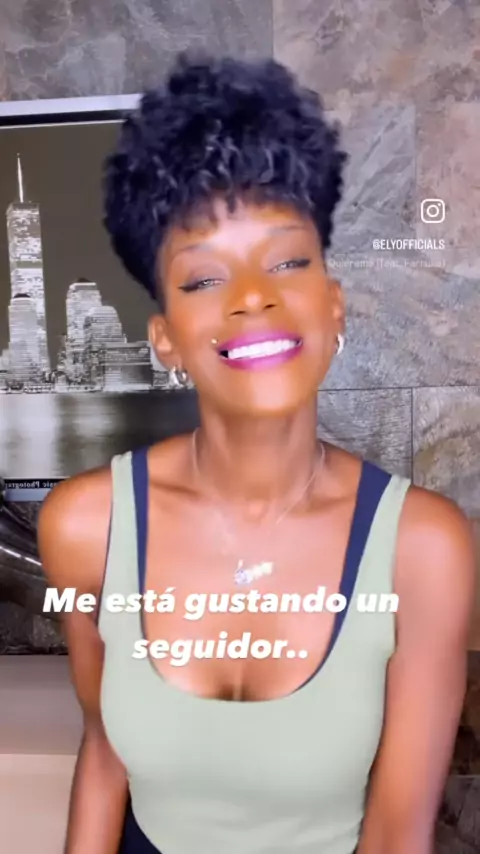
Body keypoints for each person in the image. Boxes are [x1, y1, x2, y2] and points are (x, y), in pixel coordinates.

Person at [37, 53, 475, 854]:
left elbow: (396, 833)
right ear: (165, 339)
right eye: (204, 279)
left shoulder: (422, 547)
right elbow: (105, 751)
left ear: (332, 306)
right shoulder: (84, 527)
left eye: (288, 261)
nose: (252, 296)